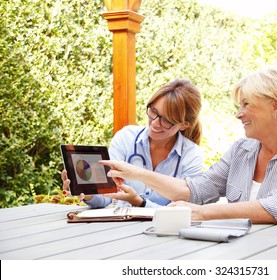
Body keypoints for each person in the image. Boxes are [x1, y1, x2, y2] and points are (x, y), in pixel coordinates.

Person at [100, 66, 277, 224]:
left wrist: (203, 213)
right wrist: (136, 173)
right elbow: (196, 190)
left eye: (246, 104)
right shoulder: (242, 151)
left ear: (276, 107)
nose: (239, 114)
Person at [62, 78, 203, 208]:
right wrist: (88, 193)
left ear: (184, 125)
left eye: (166, 121)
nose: (154, 123)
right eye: (153, 111)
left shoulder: (191, 156)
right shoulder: (126, 138)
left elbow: (183, 212)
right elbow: (107, 196)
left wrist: (140, 203)